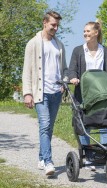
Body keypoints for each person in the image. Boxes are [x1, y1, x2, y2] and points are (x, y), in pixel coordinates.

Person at [22, 11, 68, 176]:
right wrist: (27, 93)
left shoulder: (59, 44)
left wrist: (64, 81)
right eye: (53, 25)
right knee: (45, 124)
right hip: (40, 92)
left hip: (56, 92)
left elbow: (64, 68)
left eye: (57, 25)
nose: (55, 28)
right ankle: (49, 162)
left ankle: (41, 157)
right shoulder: (33, 43)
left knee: (49, 128)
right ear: (44, 22)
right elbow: (27, 70)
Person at [68, 21, 107, 170]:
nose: (85, 34)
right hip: (83, 93)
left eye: (88, 31)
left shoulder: (105, 51)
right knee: (84, 125)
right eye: (84, 31)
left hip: (102, 94)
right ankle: (88, 156)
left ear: (96, 33)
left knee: (104, 125)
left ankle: (104, 155)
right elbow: (72, 70)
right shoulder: (78, 50)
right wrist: (73, 78)